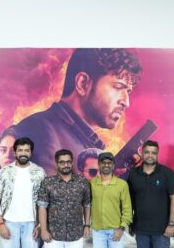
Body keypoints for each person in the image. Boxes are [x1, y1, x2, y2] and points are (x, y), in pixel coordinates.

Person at [13, 48, 143, 173]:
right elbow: (46, 188)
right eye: (118, 87)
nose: (126, 102)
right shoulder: (39, 129)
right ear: (83, 83)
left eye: (128, 92)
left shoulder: (85, 141)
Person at [38, 149, 92, 248]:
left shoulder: (82, 182)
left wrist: (87, 225)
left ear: (72, 162)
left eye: (68, 161)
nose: (66, 165)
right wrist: (44, 229)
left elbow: (87, 205)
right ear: (57, 163)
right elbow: (42, 207)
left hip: (76, 232)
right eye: (62, 162)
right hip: (53, 233)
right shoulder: (48, 182)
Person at [90, 151, 132, 248]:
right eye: (103, 162)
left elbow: (127, 208)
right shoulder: (92, 184)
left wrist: (121, 227)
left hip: (116, 230)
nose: (106, 165)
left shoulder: (121, 184)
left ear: (113, 165)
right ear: (99, 165)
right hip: (98, 231)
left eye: (109, 162)